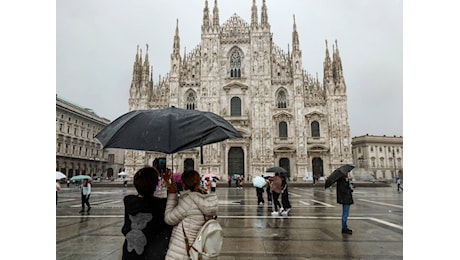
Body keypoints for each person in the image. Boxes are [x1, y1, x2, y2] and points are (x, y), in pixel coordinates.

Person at [163, 170, 218, 259]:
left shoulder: (188, 201)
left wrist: (172, 195)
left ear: (184, 184)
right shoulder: (206, 199)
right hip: (198, 248)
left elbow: (169, 219)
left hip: (183, 251)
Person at [121, 166, 173, 260]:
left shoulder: (128, 201)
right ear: (156, 185)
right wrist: (167, 181)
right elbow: (172, 200)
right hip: (152, 254)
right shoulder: (160, 204)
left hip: (129, 254)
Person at [336, 170, 354, 234]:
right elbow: (344, 190)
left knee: (345, 214)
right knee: (345, 214)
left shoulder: (345, 180)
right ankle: (344, 228)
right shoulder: (341, 181)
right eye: (346, 173)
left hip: (346, 199)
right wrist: (349, 188)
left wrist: (350, 185)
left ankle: (345, 227)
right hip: (345, 199)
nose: (347, 174)